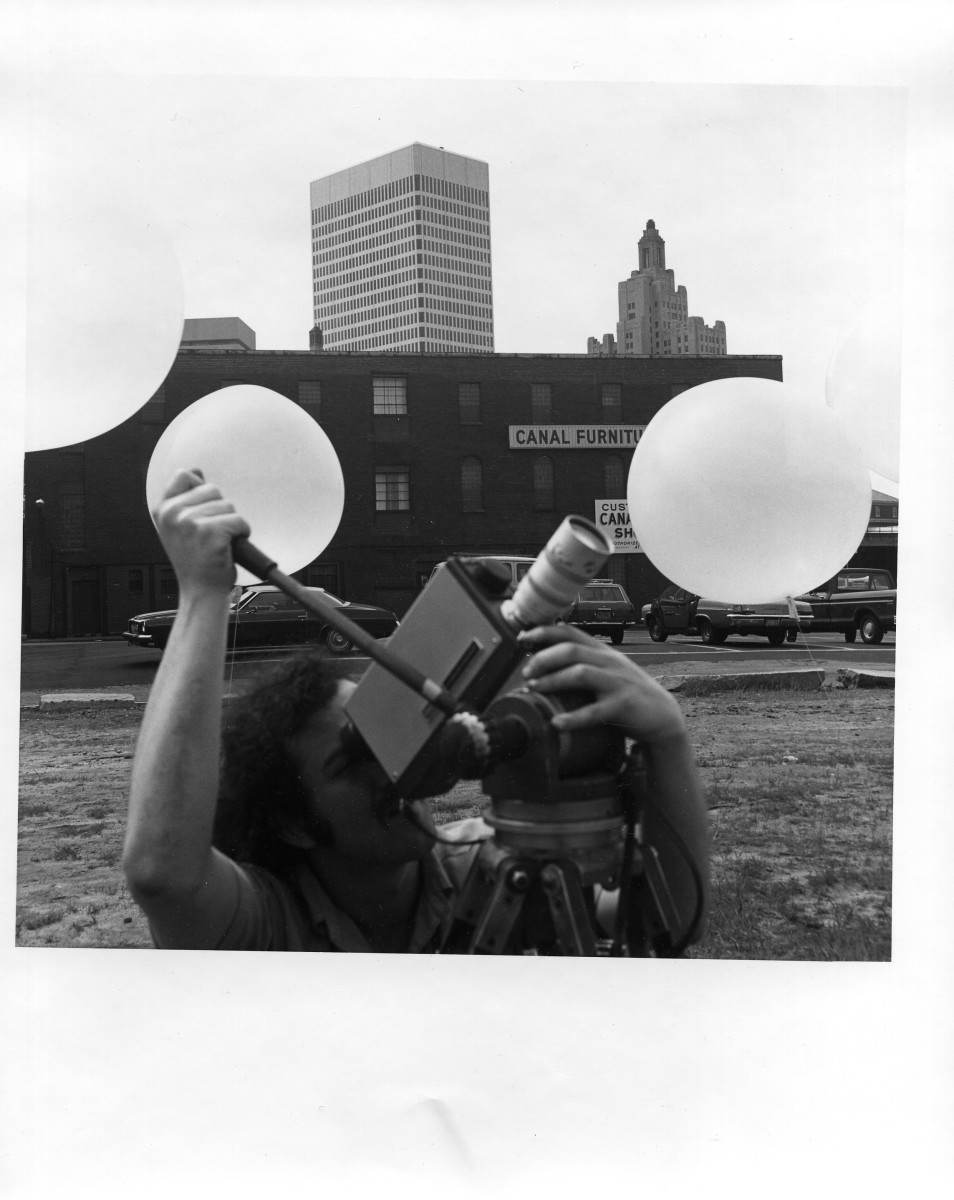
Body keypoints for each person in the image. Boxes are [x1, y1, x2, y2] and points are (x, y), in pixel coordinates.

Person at [123, 470, 710, 954]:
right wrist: (203, 594)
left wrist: (667, 738)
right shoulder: (270, 923)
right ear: (295, 823)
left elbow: (664, 920)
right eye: (355, 759)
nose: (394, 759)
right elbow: (162, 875)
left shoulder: (483, 868)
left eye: (390, 723)